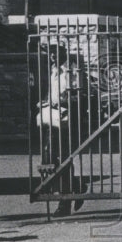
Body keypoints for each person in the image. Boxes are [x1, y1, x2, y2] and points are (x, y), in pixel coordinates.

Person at [37, 44, 90, 216]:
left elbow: (78, 94)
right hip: (52, 117)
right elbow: (51, 92)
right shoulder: (52, 70)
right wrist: (45, 101)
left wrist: (62, 101)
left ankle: (64, 203)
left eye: (55, 53)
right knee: (50, 158)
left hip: (67, 119)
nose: (52, 56)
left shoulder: (71, 70)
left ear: (64, 52)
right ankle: (76, 186)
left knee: (63, 159)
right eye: (50, 53)